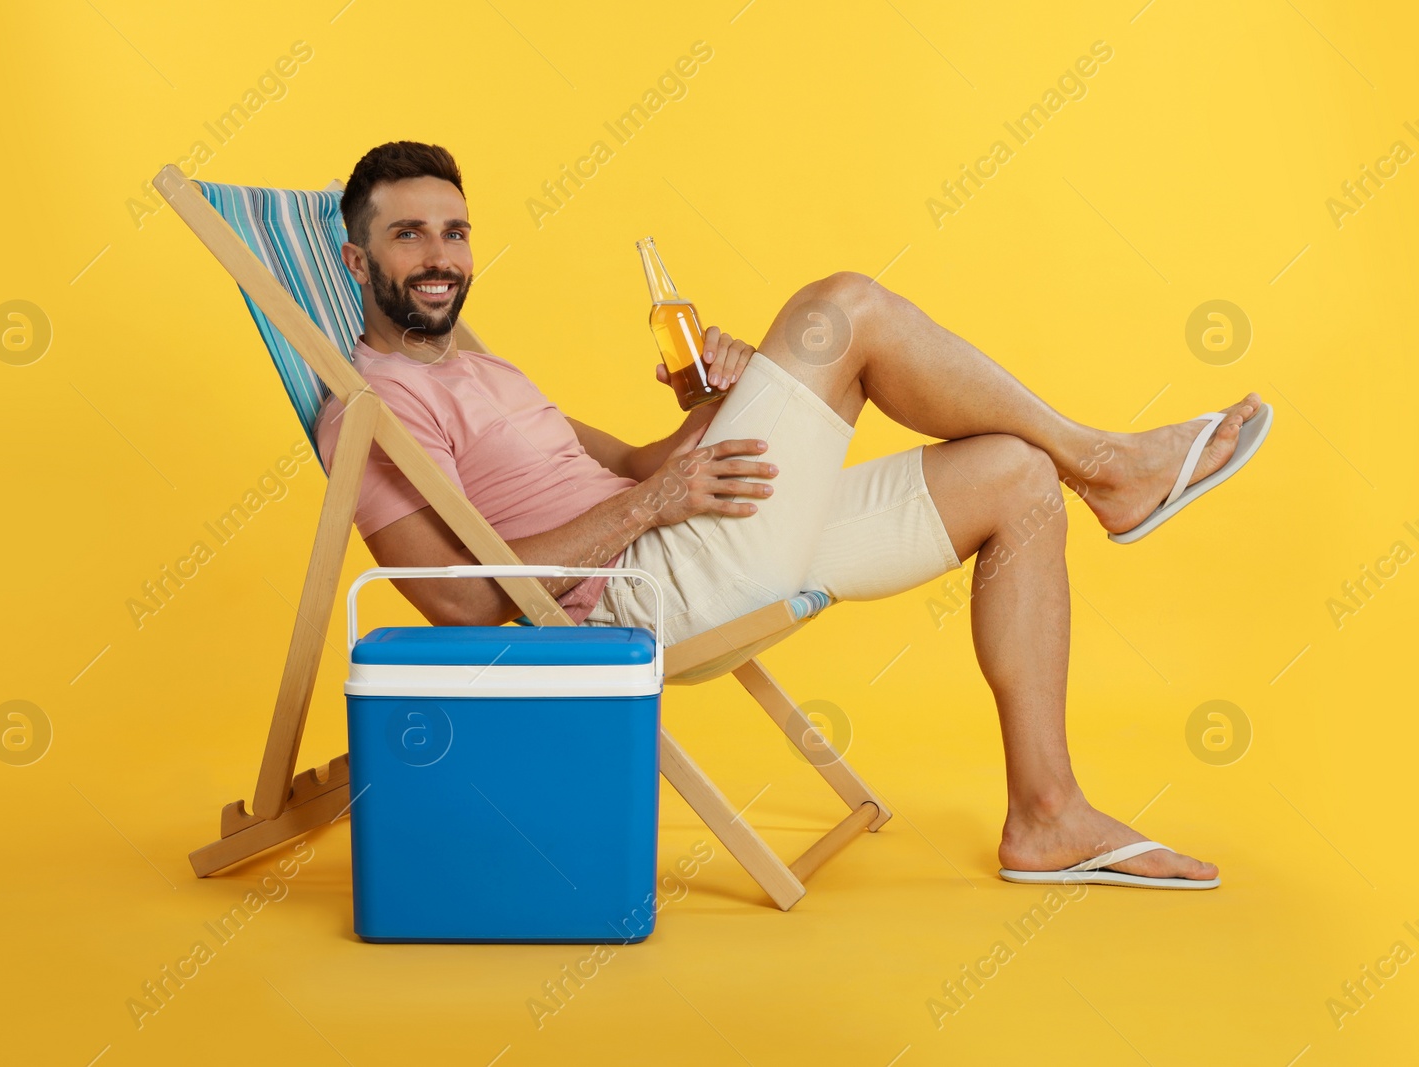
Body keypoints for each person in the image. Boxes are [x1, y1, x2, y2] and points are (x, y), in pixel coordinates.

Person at [314, 141, 1269, 890]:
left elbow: (640, 465)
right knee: (839, 308)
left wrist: (714, 404)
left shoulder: (486, 370)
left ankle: (1048, 814)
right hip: (642, 595)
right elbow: (465, 607)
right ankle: (1107, 465)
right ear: (358, 258)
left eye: (455, 231)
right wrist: (659, 501)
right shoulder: (368, 407)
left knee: (1015, 476)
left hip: (697, 533)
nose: (440, 258)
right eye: (409, 236)